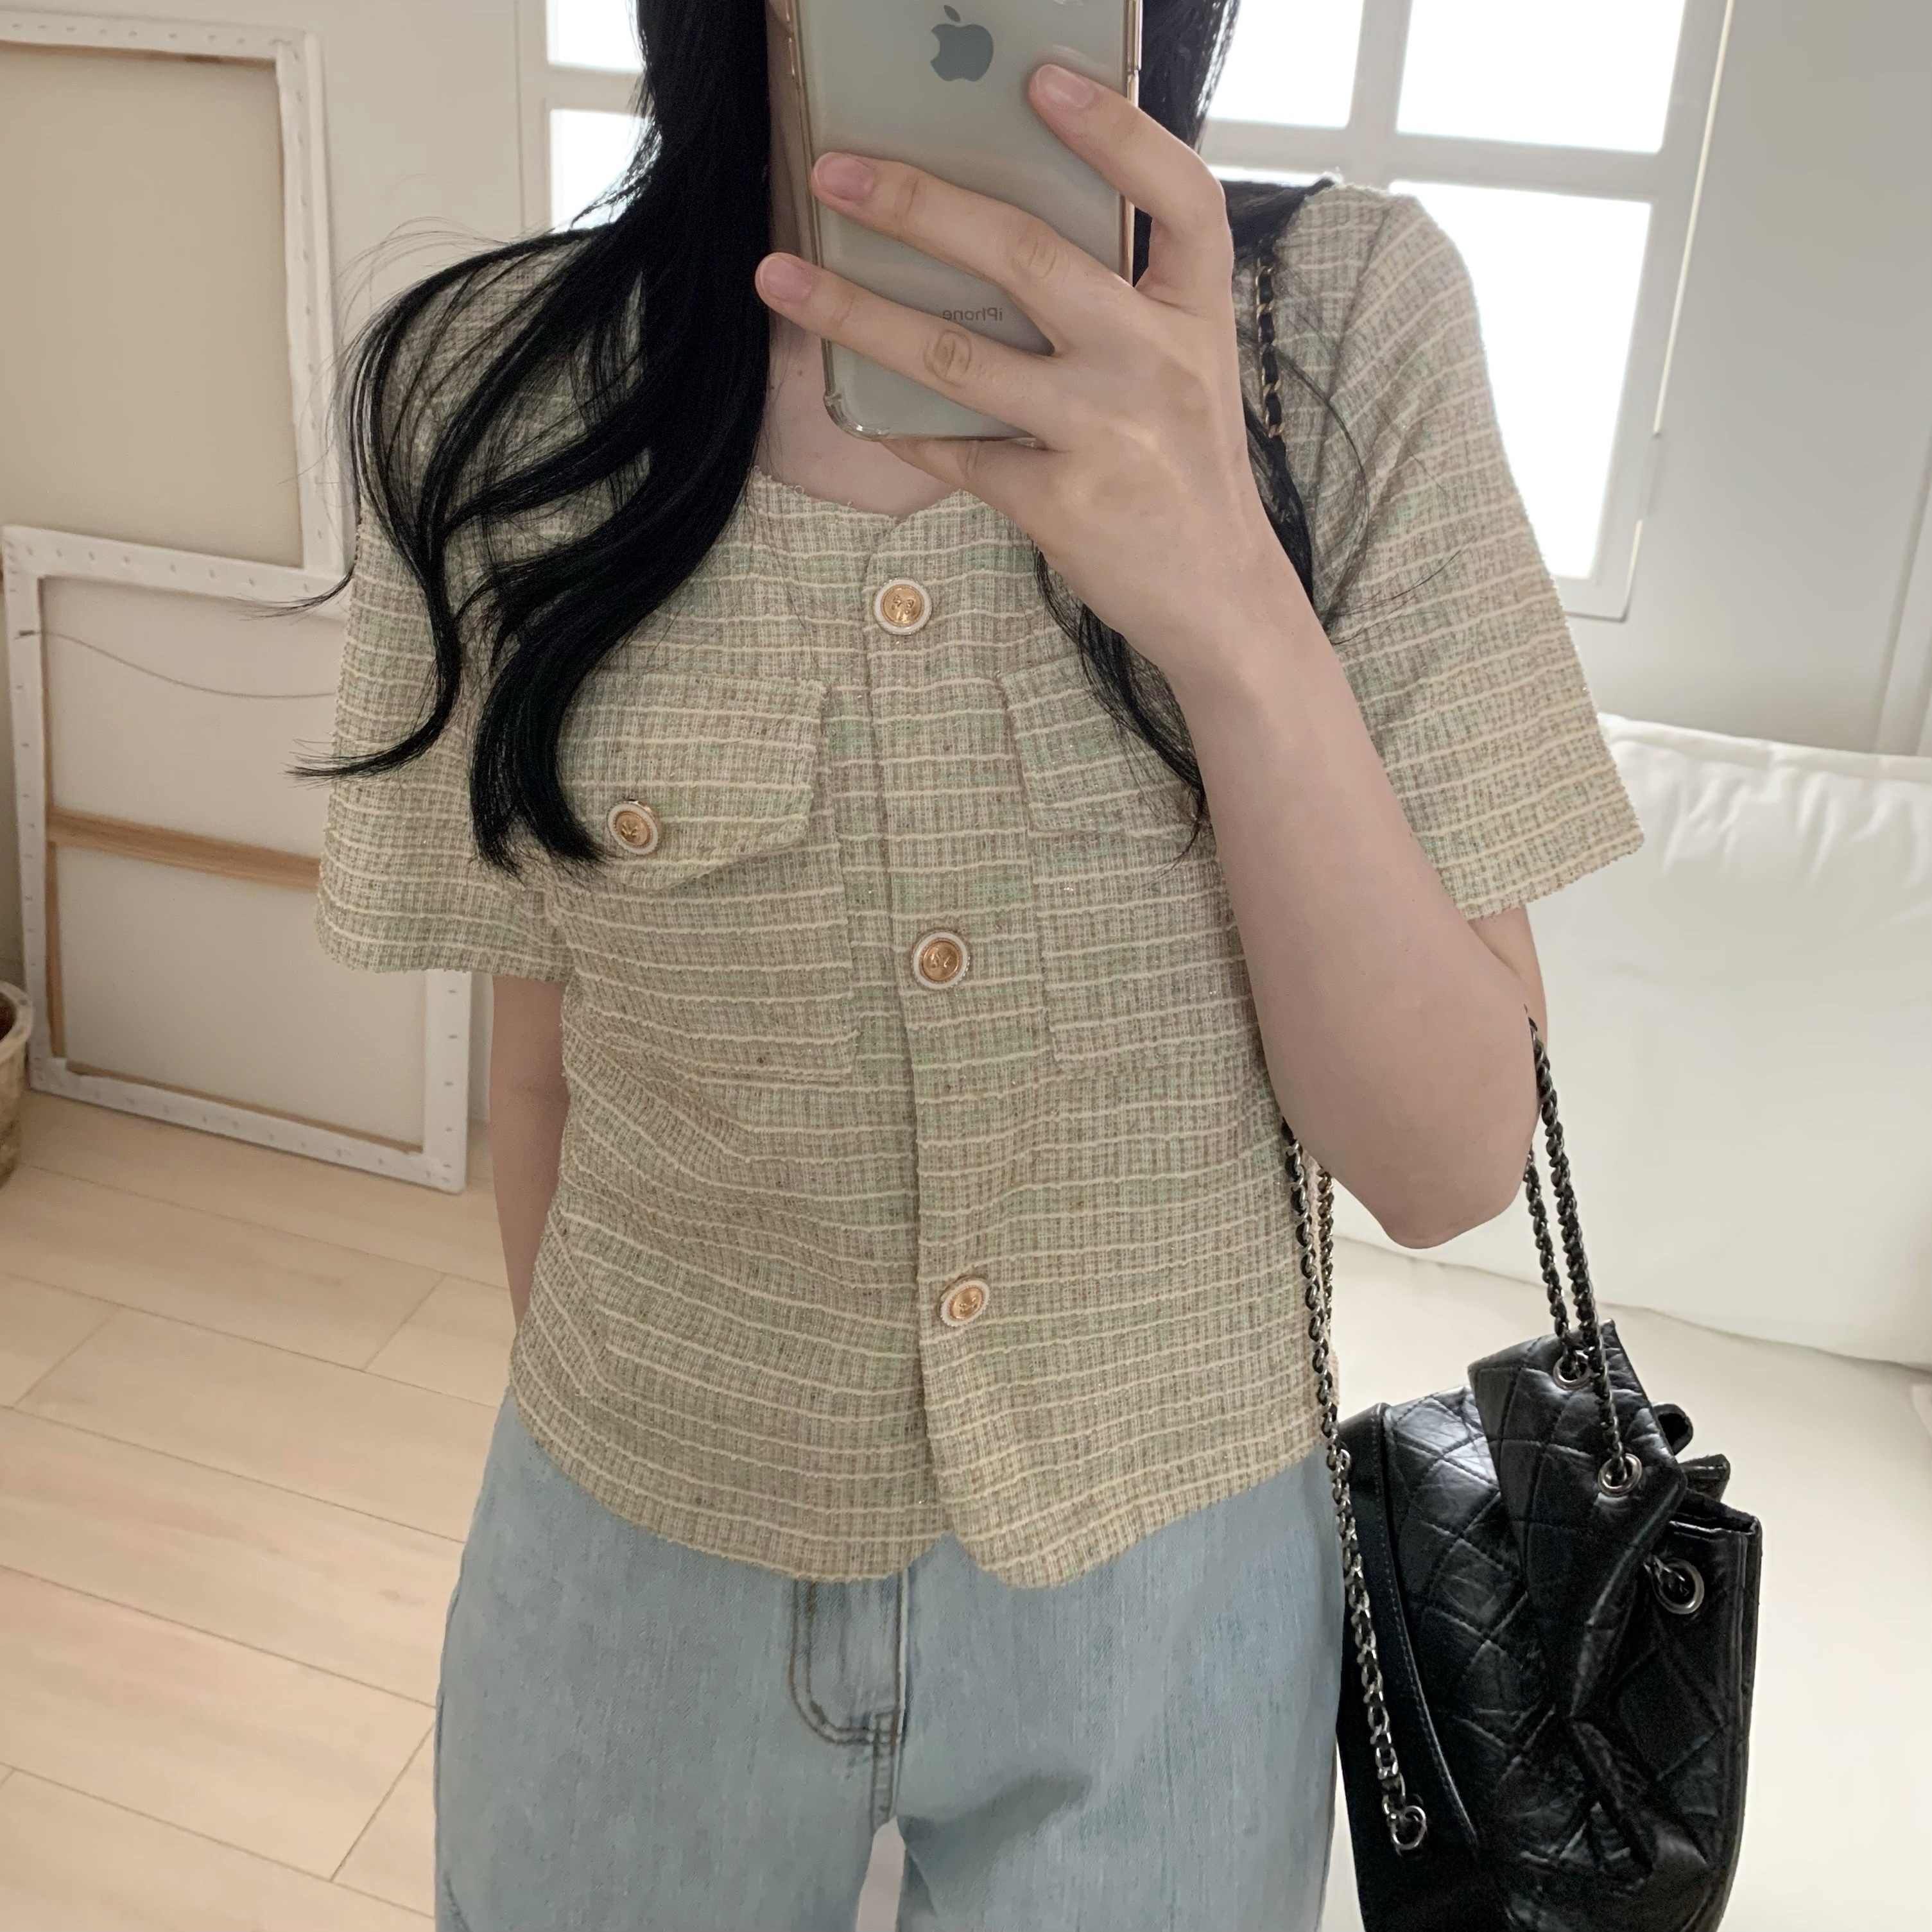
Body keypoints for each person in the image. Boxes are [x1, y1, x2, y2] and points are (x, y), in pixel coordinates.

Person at [313, 2, 1641, 1926]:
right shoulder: (493, 391)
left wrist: (1232, 609)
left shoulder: (1345, 329)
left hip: (1172, 1605)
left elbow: (1444, 1163)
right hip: (632, 1555)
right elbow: (543, 1071)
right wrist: (663, 1482)